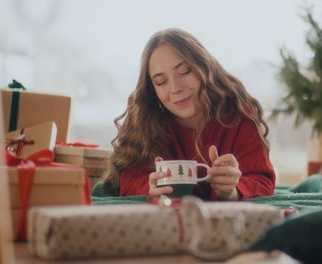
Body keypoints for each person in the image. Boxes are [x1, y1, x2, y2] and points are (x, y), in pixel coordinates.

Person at [106, 28, 275, 201]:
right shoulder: (144, 118)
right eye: (161, 82)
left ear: (204, 68)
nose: (175, 88)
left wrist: (231, 191)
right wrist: (149, 189)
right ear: (152, 90)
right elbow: (129, 179)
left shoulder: (238, 114)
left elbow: (261, 180)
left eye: (185, 71)